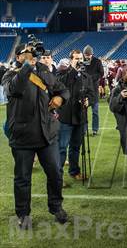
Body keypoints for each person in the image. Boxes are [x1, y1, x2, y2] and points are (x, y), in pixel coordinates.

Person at [2, 43, 70, 229]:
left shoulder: (44, 71)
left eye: (33, 53)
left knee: (55, 173)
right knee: (23, 178)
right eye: (26, 53)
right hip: (23, 136)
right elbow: (14, 89)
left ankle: (56, 207)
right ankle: (23, 214)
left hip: (47, 133)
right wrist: (27, 66)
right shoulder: (10, 74)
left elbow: (62, 89)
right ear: (18, 57)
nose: (31, 55)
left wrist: (60, 98)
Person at [57, 49, 95, 180]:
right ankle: (57, 176)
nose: (79, 61)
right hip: (65, 117)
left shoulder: (86, 76)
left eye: (80, 58)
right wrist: (73, 69)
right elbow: (60, 85)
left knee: (76, 147)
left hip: (80, 117)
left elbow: (92, 93)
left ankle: (74, 171)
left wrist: (88, 100)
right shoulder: (62, 72)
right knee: (61, 148)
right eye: (76, 58)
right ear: (71, 59)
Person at [83, 45, 104, 136]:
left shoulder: (97, 61)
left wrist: (91, 78)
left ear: (92, 54)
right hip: (83, 90)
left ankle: (95, 129)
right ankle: (83, 129)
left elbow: (101, 73)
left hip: (94, 90)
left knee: (95, 112)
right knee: (83, 112)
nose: (87, 56)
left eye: (89, 55)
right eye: (86, 55)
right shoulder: (81, 61)